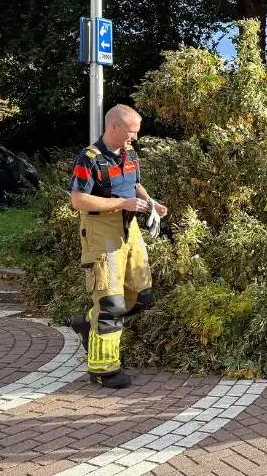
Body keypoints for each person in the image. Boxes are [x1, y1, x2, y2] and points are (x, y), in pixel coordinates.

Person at [67, 104, 167, 389]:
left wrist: (152, 203)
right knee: (110, 304)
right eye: (131, 132)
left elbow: (136, 186)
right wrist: (121, 204)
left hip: (130, 228)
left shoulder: (130, 155)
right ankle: (103, 369)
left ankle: (88, 322)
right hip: (101, 232)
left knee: (142, 295)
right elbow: (78, 201)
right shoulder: (89, 158)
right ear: (113, 127)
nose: (134, 138)